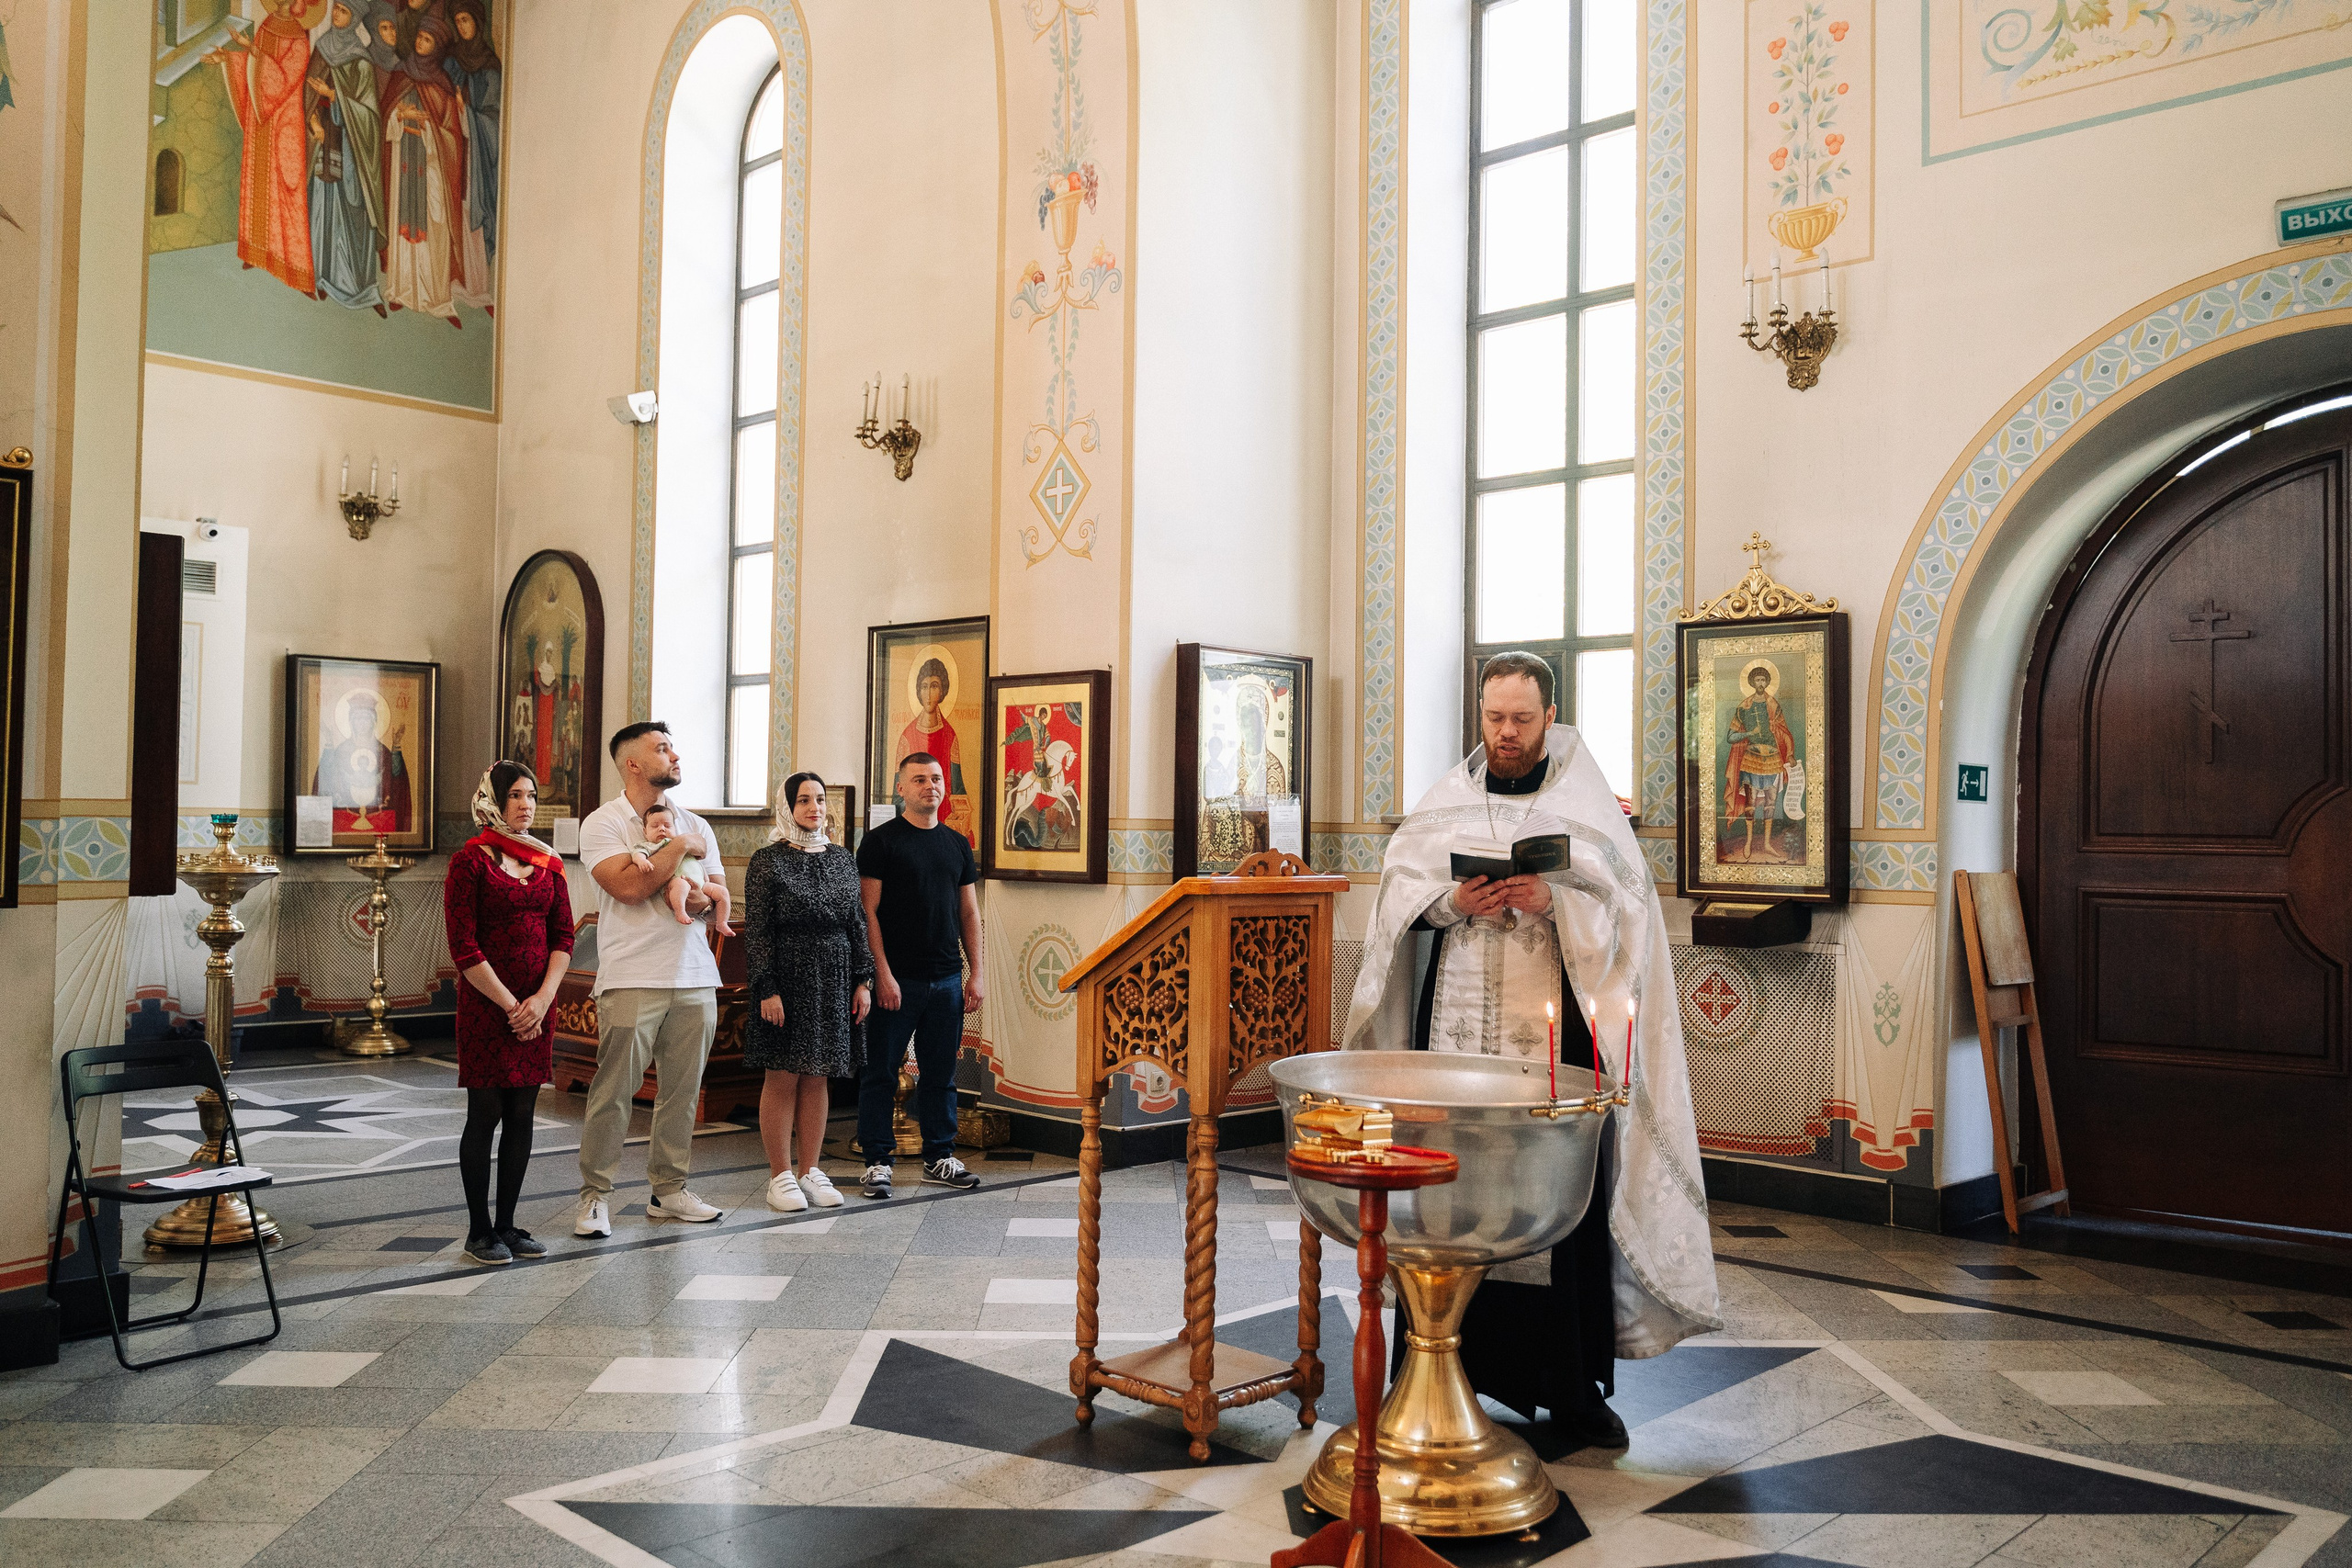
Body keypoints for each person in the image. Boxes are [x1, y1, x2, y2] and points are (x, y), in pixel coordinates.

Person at [1342, 650, 1721, 1446]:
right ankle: (1437, 1368)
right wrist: (1450, 901)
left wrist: (1557, 899)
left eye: (1521, 718)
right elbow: (1396, 904)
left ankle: (1569, 1387)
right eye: (1493, 717)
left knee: (1554, 1202)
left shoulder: (1585, 805)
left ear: (1550, 716)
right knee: (1448, 1198)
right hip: (1453, 1036)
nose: (1506, 733)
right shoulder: (1448, 800)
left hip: (1552, 1042)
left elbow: (1629, 916)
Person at [573, 722, 728, 1236]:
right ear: (632, 763)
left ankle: (669, 1191)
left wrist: (680, 875)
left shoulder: (697, 824)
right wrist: (677, 853)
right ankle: (595, 1196)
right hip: (632, 973)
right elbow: (628, 887)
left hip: (693, 973)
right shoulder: (604, 823)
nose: (675, 754)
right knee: (614, 1092)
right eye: (662, 748)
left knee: (682, 1093)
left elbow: (712, 895)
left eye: (673, 745)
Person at [442, 760, 573, 1265]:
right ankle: (479, 1230)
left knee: (522, 1114)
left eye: (532, 797)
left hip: (537, 1008)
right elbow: (464, 946)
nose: (525, 806)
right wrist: (511, 1004)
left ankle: (508, 1224)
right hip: (487, 1007)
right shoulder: (470, 862)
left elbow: (564, 935)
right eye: (515, 796)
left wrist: (541, 1000)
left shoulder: (547, 863)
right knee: (486, 1113)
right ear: (494, 802)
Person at [854, 752, 984, 1198]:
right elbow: (867, 912)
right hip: (898, 980)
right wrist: (881, 975)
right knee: (881, 1072)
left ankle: (939, 1156)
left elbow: (969, 911)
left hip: (947, 979)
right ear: (902, 788)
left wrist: (976, 974)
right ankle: (876, 1161)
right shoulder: (880, 842)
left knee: (941, 1073)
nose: (930, 786)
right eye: (919, 779)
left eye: (936, 779)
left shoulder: (956, 844)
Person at [743, 773, 872, 1212]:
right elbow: (757, 931)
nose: (814, 808)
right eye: (803, 800)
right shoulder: (768, 861)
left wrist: (863, 979)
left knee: (819, 1074)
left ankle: (810, 1170)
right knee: (782, 1074)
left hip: (835, 976)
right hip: (786, 976)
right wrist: (766, 987)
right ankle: (780, 1175)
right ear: (788, 806)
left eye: (820, 799)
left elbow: (857, 923)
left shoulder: (841, 859)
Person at [632, 801, 731, 931]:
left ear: (675, 828)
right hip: (678, 880)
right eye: (655, 826)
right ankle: (680, 911)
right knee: (682, 885)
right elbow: (638, 853)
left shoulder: (683, 843)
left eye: (667, 825)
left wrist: (706, 879)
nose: (662, 829)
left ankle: (722, 922)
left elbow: (696, 864)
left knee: (723, 892)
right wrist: (641, 861)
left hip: (701, 883)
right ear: (645, 831)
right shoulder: (652, 846)